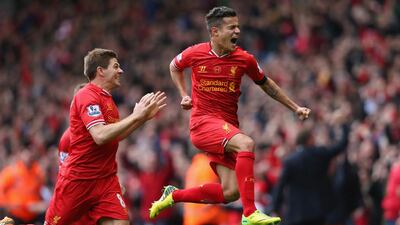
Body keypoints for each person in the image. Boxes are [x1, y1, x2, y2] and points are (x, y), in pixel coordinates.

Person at [149, 6, 310, 225]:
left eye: (238, 27)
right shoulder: (195, 52)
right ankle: (250, 213)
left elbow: (267, 85)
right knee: (246, 143)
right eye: (231, 27)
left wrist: (295, 107)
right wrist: (184, 95)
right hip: (203, 124)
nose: (237, 32)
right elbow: (174, 66)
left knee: (231, 192)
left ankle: (173, 195)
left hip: (226, 127)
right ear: (214, 32)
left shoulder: (244, 59)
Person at [45, 48, 167, 225]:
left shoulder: (108, 101)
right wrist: (135, 116)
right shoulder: (86, 95)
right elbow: (100, 136)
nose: (121, 70)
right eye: (116, 66)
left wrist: (142, 119)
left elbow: (113, 137)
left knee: (122, 222)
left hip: (105, 180)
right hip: (79, 181)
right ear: (100, 71)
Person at [272, 109, 351, 225]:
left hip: (297, 214)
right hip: (319, 211)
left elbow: (280, 185)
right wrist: (343, 125)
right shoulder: (320, 153)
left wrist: (275, 208)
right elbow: (341, 145)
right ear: (309, 139)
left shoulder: (290, 161)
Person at [0, 148, 47, 224]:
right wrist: (8, 205)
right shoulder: (12, 171)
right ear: (21, 155)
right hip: (14, 215)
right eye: (26, 154)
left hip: (32, 215)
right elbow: (1, 189)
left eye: (31, 154)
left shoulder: (38, 173)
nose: (29, 157)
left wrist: (40, 204)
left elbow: (39, 193)